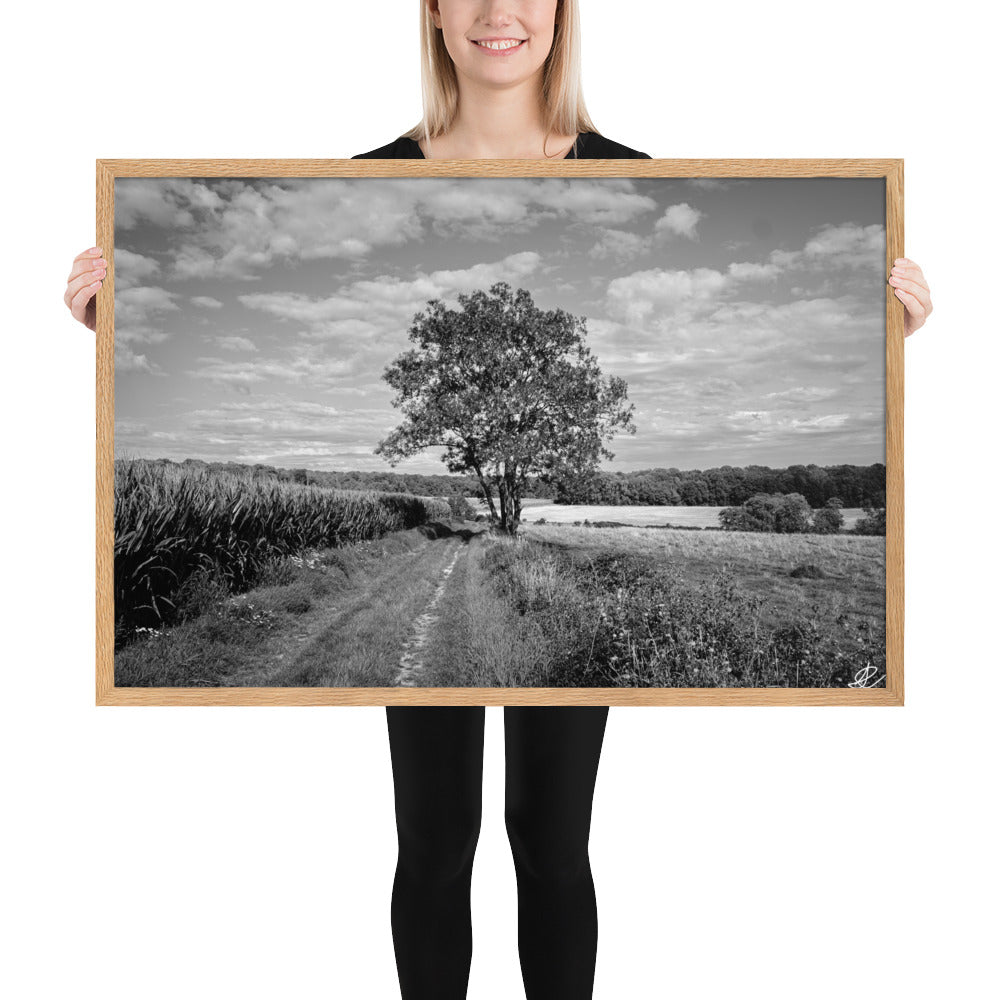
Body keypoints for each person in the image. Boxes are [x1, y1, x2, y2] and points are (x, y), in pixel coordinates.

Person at [63, 3, 934, 998]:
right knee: (435, 843)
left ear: (564, 13)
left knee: (551, 842)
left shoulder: (624, 170)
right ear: (430, 14)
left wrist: (887, 350)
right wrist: (109, 327)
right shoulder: (367, 175)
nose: (496, 11)